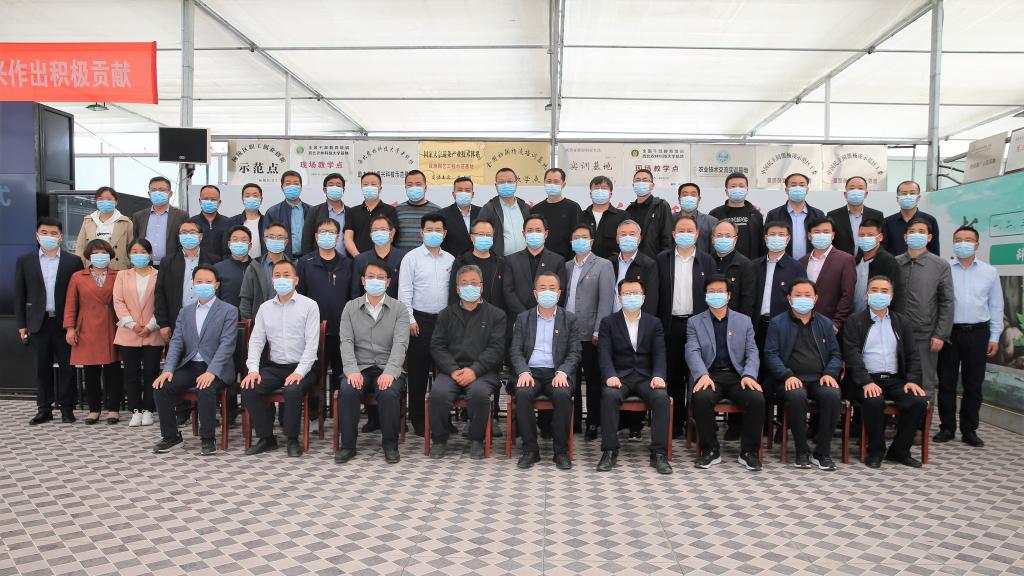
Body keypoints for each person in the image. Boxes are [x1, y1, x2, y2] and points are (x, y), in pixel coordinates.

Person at [151, 265, 238, 455]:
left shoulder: (229, 311)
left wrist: (211, 372)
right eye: (199, 281)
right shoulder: (185, 312)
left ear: (216, 285)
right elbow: (176, 343)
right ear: (193, 284)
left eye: (208, 281)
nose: (203, 285)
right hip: (191, 365)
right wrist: (168, 370)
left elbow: (227, 345)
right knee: (161, 386)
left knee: (205, 387)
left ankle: (208, 438)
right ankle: (171, 436)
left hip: (217, 368)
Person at [843, 275, 928, 468]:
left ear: (891, 296)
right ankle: (875, 451)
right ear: (867, 294)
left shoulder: (901, 322)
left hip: (895, 379)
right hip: (865, 380)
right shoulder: (855, 321)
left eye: (884, 291)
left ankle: (899, 451)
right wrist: (866, 382)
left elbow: (913, 354)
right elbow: (852, 355)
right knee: (874, 400)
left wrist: (912, 380)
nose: (879, 295)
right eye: (874, 290)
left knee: (918, 401)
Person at [242, 260, 320, 457]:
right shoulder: (265, 308)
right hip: (276, 367)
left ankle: (292, 439)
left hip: (304, 367)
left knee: (292, 390)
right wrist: (253, 370)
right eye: (277, 275)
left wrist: (299, 372)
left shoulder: (309, 306)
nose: (281, 279)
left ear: (296, 280)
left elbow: (312, 346)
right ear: (272, 279)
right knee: (249, 388)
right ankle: (267, 438)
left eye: (286, 275)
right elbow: (256, 341)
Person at [428, 265, 507, 459]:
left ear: (481, 287)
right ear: (457, 289)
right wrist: (453, 370)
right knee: (438, 393)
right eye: (464, 283)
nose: (469, 287)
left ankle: (476, 440)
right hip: (451, 371)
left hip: (483, 372)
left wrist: (474, 370)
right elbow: (437, 346)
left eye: (474, 283)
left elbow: (496, 349)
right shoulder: (446, 314)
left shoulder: (496, 315)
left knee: (479, 393)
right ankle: (439, 440)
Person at [763, 279, 843, 470]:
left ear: (815, 299)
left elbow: (835, 354)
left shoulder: (825, 323)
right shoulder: (777, 323)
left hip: (819, 378)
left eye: (807, 295)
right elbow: (770, 354)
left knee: (833, 395)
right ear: (789, 298)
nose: (803, 298)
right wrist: (787, 375)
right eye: (798, 295)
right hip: (789, 379)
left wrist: (830, 373)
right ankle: (802, 450)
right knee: (797, 396)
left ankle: (822, 452)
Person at [335, 260, 410, 464]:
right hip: (359, 367)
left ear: (388, 282)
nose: (375, 281)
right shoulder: (350, 308)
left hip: (387, 367)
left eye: (380, 277)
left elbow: (401, 343)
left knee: (388, 392)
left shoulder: (399, 309)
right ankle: (348, 446)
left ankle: (390, 445)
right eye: (370, 277)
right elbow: (346, 342)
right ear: (362, 280)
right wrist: (351, 370)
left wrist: (390, 372)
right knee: (348, 390)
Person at [686, 275, 763, 471]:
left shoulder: (744, 321)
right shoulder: (695, 322)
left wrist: (749, 375)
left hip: (737, 376)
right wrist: (702, 374)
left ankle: (749, 452)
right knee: (702, 397)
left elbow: (752, 351)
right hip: (710, 375)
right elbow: (692, 350)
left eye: (720, 291)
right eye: (711, 291)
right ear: (705, 295)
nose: (716, 295)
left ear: (729, 295)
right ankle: (710, 450)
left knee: (756, 399)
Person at [595, 279, 672, 474]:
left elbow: (660, 353)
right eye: (626, 293)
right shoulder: (608, 322)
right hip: (620, 377)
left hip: (646, 377)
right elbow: (604, 353)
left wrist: (659, 375)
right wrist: (610, 375)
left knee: (661, 398)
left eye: (635, 293)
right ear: (619, 298)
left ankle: (659, 454)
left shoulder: (654, 323)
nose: (631, 297)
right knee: (609, 395)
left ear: (643, 297)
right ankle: (609, 451)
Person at [936, 226, 1003, 447]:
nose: (963, 243)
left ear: (977, 244)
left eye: (968, 239)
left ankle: (969, 429)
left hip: (978, 333)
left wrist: (994, 336)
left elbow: (996, 305)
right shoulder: (944, 269)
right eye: (958, 239)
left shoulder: (989, 272)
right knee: (946, 383)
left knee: (973, 384)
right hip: (949, 332)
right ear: (953, 243)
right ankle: (947, 427)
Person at [509, 271, 581, 469]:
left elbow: (575, 351)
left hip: (556, 373)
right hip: (530, 372)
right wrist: (523, 371)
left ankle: (561, 452)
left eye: (552, 288)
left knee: (562, 394)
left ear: (559, 293)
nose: (547, 292)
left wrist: (563, 372)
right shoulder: (523, 318)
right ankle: (530, 450)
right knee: (523, 394)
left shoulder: (570, 319)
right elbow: (515, 350)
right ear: (535, 293)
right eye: (542, 288)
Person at [16, 217, 84, 424]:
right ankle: (44, 409)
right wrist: (21, 325)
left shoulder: (73, 261)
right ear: (37, 236)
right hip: (38, 322)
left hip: (64, 323)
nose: (49, 237)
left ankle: (67, 408)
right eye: (44, 233)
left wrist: (76, 325)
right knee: (42, 368)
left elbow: (79, 296)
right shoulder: (25, 261)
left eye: (54, 233)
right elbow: (20, 295)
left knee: (67, 368)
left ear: (61, 237)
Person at [655, 216, 715, 438]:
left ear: (697, 234)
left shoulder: (707, 261)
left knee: (697, 374)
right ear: (673, 234)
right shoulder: (663, 259)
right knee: (673, 375)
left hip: (698, 325)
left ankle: (696, 422)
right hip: (671, 324)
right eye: (681, 230)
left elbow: (712, 292)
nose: (685, 234)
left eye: (690, 230)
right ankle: (676, 423)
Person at [399, 213, 455, 436]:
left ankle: (444, 419)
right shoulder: (411, 258)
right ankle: (419, 420)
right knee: (418, 374)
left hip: (445, 322)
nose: (433, 234)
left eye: (438, 230)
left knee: (445, 373)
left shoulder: (450, 260)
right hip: (419, 322)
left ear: (445, 233)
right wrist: (410, 319)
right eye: (429, 230)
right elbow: (405, 291)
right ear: (421, 233)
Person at [563, 224, 615, 441]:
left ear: (591, 241)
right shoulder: (566, 266)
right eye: (576, 237)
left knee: (593, 380)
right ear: (571, 241)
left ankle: (593, 421)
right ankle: (573, 421)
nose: (580, 240)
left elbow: (606, 300)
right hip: (567, 332)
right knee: (570, 378)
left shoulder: (603, 265)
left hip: (591, 332)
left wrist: (598, 330)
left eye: (584, 237)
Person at [297, 218, 353, 413]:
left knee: (341, 374)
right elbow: (299, 296)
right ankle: (314, 415)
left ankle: (340, 414)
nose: (327, 236)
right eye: (323, 232)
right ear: (316, 236)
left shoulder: (348, 263)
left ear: (337, 237)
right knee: (314, 374)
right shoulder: (305, 263)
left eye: (331, 233)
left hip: (342, 330)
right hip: (313, 331)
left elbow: (353, 296)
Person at [64, 239, 122, 425]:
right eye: (95, 253)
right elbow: (71, 304)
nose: (100, 256)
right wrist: (70, 328)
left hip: (112, 325)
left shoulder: (118, 275)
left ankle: (113, 409)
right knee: (91, 371)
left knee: (113, 370)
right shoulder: (77, 277)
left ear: (110, 255)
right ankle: (94, 410)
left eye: (103, 252)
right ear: (89, 256)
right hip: (87, 327)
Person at [892, 218, 953, 394]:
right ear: (905, 237)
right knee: (896, 380)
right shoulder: (895, 262)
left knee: (925, 383)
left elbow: (947, 301)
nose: (916, 235)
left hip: (925, 336)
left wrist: (940, 334)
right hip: (896, 333)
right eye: (912, 232)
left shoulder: (940, 265)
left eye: (921, 232)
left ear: (929, 237)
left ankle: (924, 413)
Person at [112, 239, 163, 427]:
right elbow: (118, 301)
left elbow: (162, 302)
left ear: (150, 254)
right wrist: (132, 324)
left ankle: (149, 409)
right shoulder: (122, 275)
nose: (138, 255)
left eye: (143, 251)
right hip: (128, 332)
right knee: (131, 374)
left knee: (151, 372)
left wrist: (150, 326)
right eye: (134, 251)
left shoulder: (159, 275)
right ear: (129, 255)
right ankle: (135, 409)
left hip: (153, 332)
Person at [154, 220, 215, 339]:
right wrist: (163, 323)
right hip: (176, 321)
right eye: (184, 232)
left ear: (200, 236)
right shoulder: (167, 262)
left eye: (192, 232)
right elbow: (160, 293)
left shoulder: (214, 261)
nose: (188, 235)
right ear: (179, 237)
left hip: (207, 321)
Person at [751, 222, 807, 346]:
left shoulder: (797, 267)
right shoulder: (754, 265)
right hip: (756, 325)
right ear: (766, 238)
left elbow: (801, 298)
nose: (776, 238)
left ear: (788, 239)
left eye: (781, 234)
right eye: (772, 234)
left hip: (784, 326)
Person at [798, 217, 855, 331]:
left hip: (830, 325)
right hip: (802, 324)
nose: (821, 235)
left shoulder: (846, 260)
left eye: (826, 232)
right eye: (817, 232)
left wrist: (836, 323)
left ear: (833, 235)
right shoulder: (802, 261)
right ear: (809, 236)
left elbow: (847, 295)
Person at [503, 215, 566, 319]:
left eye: (538, 230)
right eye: (530, 230)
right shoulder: (511, 260)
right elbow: (508, 291)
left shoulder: (557, 261)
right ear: (523, 234)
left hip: (548, 317)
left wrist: (542, 313)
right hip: (518, 318)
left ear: (546, 234)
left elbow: (561, 291)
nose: (534, 234)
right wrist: (525, 315)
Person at [764, 173, 825, 261]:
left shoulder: (818, 214)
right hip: (782, 264)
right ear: (786, 190)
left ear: (807, 189)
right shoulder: (774, 215)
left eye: (802, 185)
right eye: (793, 185)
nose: (798, 188)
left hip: (811, 263)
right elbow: (766, 242)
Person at [239, 223, 292, 320]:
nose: (275, 240)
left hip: (289, 321)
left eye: (280, 237)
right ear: (265, 240)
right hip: (260, 322)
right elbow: (246, 299)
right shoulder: (254, 266)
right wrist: (248, 323)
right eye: (271, 237)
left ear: (286, 242)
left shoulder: (295, 266)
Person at [131, 176, 188, 266]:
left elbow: (183, 242)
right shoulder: (139, 216)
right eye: (153, 190)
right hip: (145, 265)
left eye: (161, 190)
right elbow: (136, 239)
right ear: (149, 193)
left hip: (171, 265)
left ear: (170, 193)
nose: (157, 193)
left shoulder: (181, 216)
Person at [449, 219, 504, 309]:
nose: (485, 238)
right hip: (467, 314)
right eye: (481, 234)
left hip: (494, 314)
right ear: (472, 237)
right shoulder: (461, 262)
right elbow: (453, 293)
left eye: (488, 235)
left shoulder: (500, 263)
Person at [708, 172, 764, 259]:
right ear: (726, 191)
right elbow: (710, 243)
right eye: (733, 186)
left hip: (751, 264)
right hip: (722, 263)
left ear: (747, 190)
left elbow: (761, 243)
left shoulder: (756, 214)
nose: (737, 189)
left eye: (741, 186)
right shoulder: (715, 214)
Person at [76, 186, 133, 270]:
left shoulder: (126, 222)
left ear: (116, 202)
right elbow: (80, 247)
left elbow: (131, 247)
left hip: (118, 268)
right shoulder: (88, 221)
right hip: (92, 267)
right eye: (101, 199)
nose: (105, 202)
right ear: (96, 201)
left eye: (109, 199)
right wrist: (81, 266)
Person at [477, 167, 529, 257]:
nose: (506, 185)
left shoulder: (525, 207)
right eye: (501, 182)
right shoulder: (488, 209)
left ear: (516, 184)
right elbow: (479, 236)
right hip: (500, 260)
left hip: (524, 259)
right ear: (496, 186)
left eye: (510, 181)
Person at [530, 168, 582, 259]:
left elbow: (578, 236)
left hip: (566, 261)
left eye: (556, 182)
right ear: (544, 183)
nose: (552, 184)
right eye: (549, 181)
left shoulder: (573, 207)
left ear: (563, 184)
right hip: (540, 260)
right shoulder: (536, 209)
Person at [344, 171, 399, 257]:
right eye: (365, 184)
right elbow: (348, 238)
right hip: (357, 259)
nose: (369, 187)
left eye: (373, 184)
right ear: (361, 188)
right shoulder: (352, 211)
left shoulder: (390, 210)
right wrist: (359, 258)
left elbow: (391, 236)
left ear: (380, 188)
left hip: (384, 259)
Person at [351, 215, 406, 299]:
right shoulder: (360, 259)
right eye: (375, 230)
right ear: (371, 235)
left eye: (383, 229)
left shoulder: (404, 257)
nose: (379, 233)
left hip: (396, 305)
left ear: (391, 234)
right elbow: (356, 292)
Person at [610, 219, 659, 314]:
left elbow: (651, 300)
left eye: (632, 234)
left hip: (636, 319)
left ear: (639, 239)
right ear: (617, 239)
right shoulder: (609, 263)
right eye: (623, 234)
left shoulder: (649, 265)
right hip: (611, 318)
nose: (627, 238)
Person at [852, 219, 901, 314]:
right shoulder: (856, 260)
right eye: (861, 235)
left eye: (870, 235)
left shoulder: (888, 261)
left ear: (880, 237)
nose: (865, 238)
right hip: (853, 316)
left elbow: (895, 294)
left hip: (874, 316)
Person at [826, 176, 883, 257]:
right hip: (841, 261)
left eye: (860, 188)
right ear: (845, 194)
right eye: (852, 188)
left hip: (869, 261)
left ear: (866, 194)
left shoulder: (877, 215)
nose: (856, 191)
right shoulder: (833, 215)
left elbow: (882, 242)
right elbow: (830, 242)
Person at [709, 220, 755, 317]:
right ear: (713, 239)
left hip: (734, 321)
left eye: (728, 236)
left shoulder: (746, 265)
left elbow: (747, 301)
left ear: (735, 239)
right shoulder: (707, 261)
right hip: (707, 319)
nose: (723, 239)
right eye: (719, 235)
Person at [882, 180, 940, 256]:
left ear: (918, 198)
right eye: (904, 193)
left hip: (923, 263)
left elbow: (934, 249)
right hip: (894, 263)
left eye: (912, 193)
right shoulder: (887, 222)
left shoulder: (930, 220)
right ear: (897, 199)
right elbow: (884, 250)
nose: (908, 196)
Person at [625, 168, 673, 258]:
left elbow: (667, 238)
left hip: (655, 260)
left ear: (652, 185)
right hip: (633, 260)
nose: (641, 183)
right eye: (637, 180)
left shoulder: (661, 206)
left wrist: (664, 260)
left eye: (645, 180)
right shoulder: (629, 210)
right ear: (633, 185)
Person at [265, 170, 312, 258]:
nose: (292, 186)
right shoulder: (272, 212)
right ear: (282, 187)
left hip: (307, 258)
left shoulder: (312, 210)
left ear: (301, 187)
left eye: (296, 183)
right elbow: (266, 239)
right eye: (288, 183)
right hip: (282, 259)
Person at [300, 173, 347, 256]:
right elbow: (307, 240)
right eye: (331, 185)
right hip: (319, 259)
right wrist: (309, 259)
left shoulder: (350, 212)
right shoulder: (314, 211)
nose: (335, 188)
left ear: (343, 190)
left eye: (338, 185)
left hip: (345, 260)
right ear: (325, 190)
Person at [581, 175, 627, 259]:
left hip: (613, 263)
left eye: (604, 188)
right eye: (596, 188)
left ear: (610, 194)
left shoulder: (623, 216)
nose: (600, 191)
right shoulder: (581, 216)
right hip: (584, 263)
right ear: (590, 194)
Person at [395, 169, 441, 250]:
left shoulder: (437, 211)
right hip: (402, 257)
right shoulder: (396, 210)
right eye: (410, 185)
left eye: (418, 184)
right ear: (405, 187)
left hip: (428, 256)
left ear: (425, 188)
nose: (414, 187)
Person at [439, 176, 480, 258]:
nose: (463, 193)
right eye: (460, 190)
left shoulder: (482, 213)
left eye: (467, 190)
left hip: (478, 261)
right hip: (453, 261)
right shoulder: (442, 215)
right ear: (453, 194)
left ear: (472, 194)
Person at [187, 184, 231, 262]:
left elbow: (230, 250)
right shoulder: (191, 223)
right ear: (200, 201)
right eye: (205, 199)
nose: (209, 202)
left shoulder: (228, 222)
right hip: (198, 266)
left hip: (222, 266)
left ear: (219, 202)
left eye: (213, 199)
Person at [225, 183, 268, 257]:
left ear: (261, 199)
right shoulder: (231, 222)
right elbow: (225, 249)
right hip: (238, 262)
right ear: (243, 199)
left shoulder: (267, 222)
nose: (251, 199)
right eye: (247, 196)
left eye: (255, 196)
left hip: (261, 263)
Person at [214, 226, 253, 307]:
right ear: (229, 244)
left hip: (253, 314)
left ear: (250, 245)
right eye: (235, 240)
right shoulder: (218, 268)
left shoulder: (257, 267)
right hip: (227, 314)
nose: (239, 243)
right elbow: (214, 298)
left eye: (244, 240)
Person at [675, 182, 718, 254]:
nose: (689, 198)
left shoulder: (711, 222)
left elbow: (714, 250)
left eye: (693, 195)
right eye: (685, 195)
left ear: (699, 199)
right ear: (679, 199)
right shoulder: (669, 220)